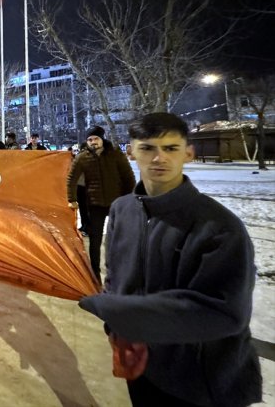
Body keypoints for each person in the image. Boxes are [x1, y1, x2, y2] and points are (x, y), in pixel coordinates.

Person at [79, 112, 262, 407]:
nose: (158, 158)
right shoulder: (122, 210)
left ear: (188, 153)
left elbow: (224, 313)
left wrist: (118, 310)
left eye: (171, 148)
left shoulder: (218, 226)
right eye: (148, 148)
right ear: (131, 151)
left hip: (202, 382)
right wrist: (118, 328)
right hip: (143, 370)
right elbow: (115, 275)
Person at [67, 125, 135, 280]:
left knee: (116, 237)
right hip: (94, 204)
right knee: (95, 239)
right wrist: (72, 198)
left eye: (96, 139)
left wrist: (129, 199)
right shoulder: (82, 157)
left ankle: (116, 270)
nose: (93, 142)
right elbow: (71, 178)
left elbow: (128, 176)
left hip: (116, 203)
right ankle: (95, 272)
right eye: (90, 139)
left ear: (102, 139)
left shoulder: (115, 154)